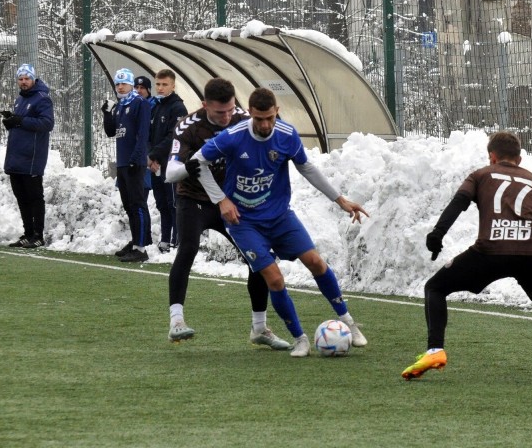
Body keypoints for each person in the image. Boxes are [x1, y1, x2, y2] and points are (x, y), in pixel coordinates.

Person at [191, 87, 369, 357]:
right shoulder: (232, 137)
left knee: (316, 262)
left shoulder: (287, 134)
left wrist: (339, 199)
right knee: (274, 278)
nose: (264, 124)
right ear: (249, 113)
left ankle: (349, 323)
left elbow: (306, 167)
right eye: (259, 118)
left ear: (277, 113)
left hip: (280, 215)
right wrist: (220, 200)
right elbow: (197, 162)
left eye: (269, 118)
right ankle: (300, 339)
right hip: (244, 221)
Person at [401, 131, 532, 380]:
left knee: (435, 287)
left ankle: (435, 350)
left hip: (488, 252)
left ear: (492, 156)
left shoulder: (480, 175)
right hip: (530, 256)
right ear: (519, 159)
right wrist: (525, 239)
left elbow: (458, 204)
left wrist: (437, 235)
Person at [162, 78, 289, 349]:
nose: (227, 116)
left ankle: (259, 329)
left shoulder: (244, 119)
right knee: (188, 249)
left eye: (231, 110)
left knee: (259, 257)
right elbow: (170, 172)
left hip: (232, 202)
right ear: (204, 105)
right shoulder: (188, 126)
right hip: (194, 199)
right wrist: (189, 167)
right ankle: (176, 321)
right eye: (220, 112)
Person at [1, 64, 55, 249]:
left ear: (33, 79)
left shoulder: (42, 99)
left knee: (34, 196)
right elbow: (23, 122)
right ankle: (28, 232)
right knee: (21, 196)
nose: (23, 82)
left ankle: (38, 235)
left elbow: (47, 123)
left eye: (27, 78)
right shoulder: (20, 100)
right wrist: (12, 121)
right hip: (16, 155)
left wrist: (20, 120)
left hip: (32, 157)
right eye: (20, 79)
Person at [103, 68, 152, 263]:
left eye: (124, 83)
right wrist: (107, 113)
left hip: (134, 162)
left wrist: (136, 158)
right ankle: (135, 242)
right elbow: (111, 132)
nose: (120, 86)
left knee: (138, 203)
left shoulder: (140, 103)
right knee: (129, 205)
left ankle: (141, 248)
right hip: (123, 162)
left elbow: (143, 134)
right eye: (117, 83)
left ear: (131, 85)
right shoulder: (121, 105)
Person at [146, 69, 187, 253]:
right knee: (161, 203)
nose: (160, 88)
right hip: (155, 164)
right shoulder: (156, 106)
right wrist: (150, 157)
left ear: (173, 85)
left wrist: (155, 154)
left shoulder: (178, 107)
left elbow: (174, 136)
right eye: (158, 84)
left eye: (164, 84)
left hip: (170, 163)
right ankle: (164, 239)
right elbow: (148, 134)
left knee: (173, 203)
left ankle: (177, 241)